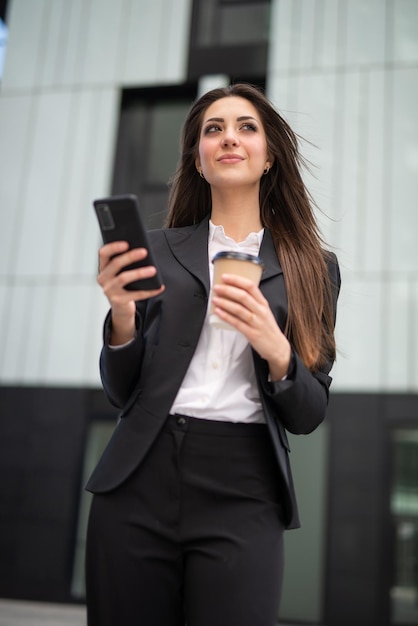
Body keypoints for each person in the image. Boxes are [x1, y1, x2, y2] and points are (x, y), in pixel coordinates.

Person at [85, 82, 341, 626]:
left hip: (244, 483)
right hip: (140, 476)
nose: (230, 138)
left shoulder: (312, 268)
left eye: (246, 127)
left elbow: (310, 412)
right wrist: (122, 314)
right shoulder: (156, 250)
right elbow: (120, 391)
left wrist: (277, 350)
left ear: (269, 155)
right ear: (198, 161)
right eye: (213, 129)